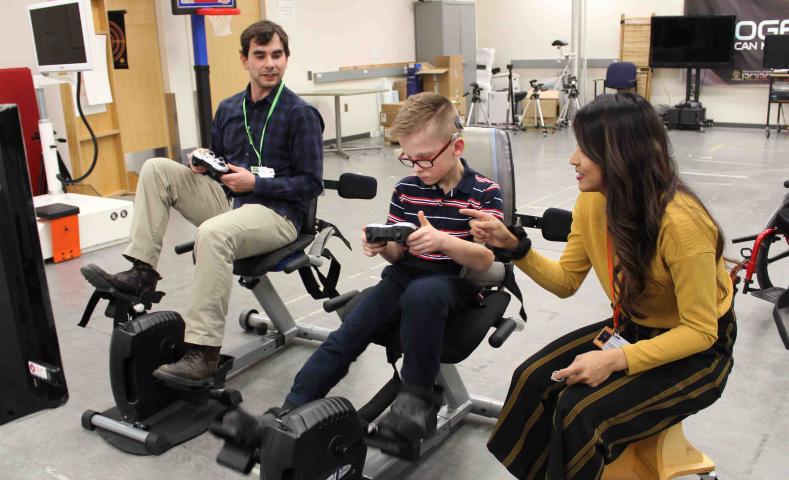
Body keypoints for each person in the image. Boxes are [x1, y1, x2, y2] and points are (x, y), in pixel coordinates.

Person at [461, 92, 736, 479]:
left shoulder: (681, 224)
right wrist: (515, 247)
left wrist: (613, 359)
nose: (573, 159)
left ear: (622, 154)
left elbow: (700, 331)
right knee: (531, 380)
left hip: (699, 353)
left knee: (580, 413)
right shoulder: (592, 202)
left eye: (585, 148)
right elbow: (566, 282)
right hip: (632, 328)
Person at [81, 20, 324, 387]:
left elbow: (311, 184)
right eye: (260, 56)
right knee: (157, 169)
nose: (269, 63)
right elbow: (221, 166)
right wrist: (203, 164)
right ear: (245, 60)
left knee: (212, 234)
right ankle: (141, 272)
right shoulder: (228, 109)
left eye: (277, 55)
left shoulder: (299, 114)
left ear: (286, 59)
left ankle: (203, 352)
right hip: (232, 204)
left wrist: (256, 182)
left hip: (279, 214)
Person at [281, 92, 504, 441]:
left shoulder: (484, 192)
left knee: (424, 292)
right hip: (404, 276)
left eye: (425, 159)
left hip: (455, 281)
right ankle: (293, 405)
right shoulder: (406, 189)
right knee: (349, 333)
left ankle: (415, 405)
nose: (417, 168)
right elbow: (399, 257)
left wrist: (444, 242)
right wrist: (384, 246)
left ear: (457, 147)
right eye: (408, 159)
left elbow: (486, 260)